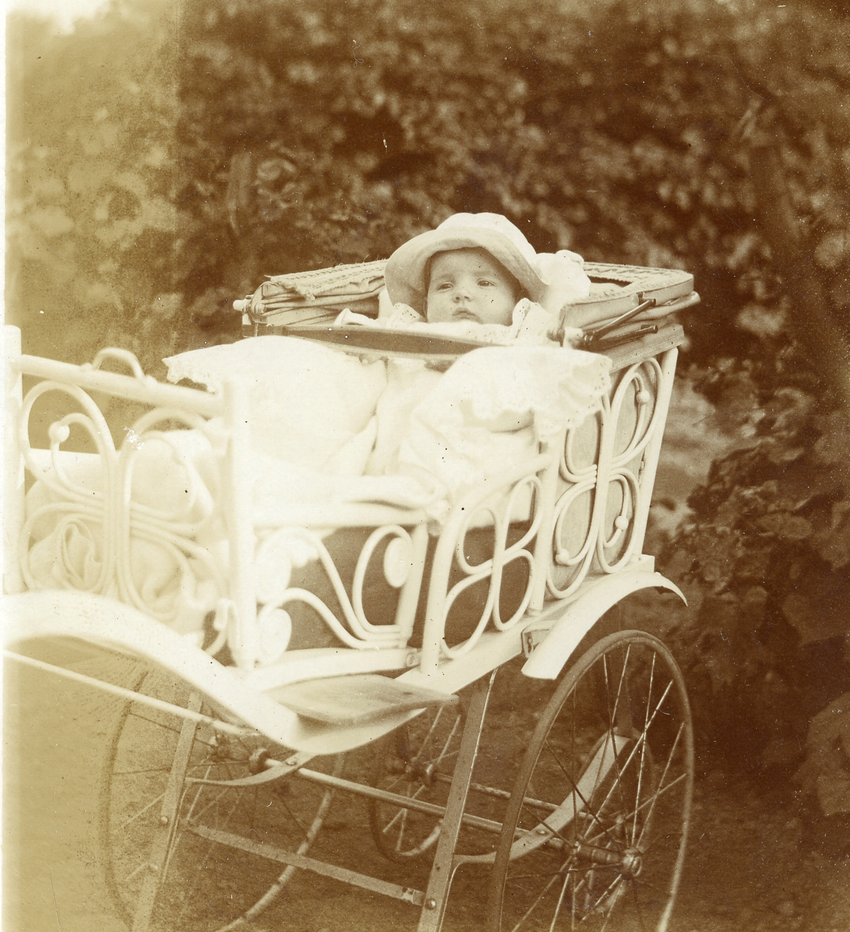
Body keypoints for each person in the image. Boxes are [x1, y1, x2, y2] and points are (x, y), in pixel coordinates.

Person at [23, 215, 609, 642]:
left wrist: (537, 321)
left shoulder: (519, 351)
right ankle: (124, 493)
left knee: (265, 498)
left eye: (485, 284)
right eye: (445, 284)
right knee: (234, 449)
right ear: (424, 301)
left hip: (443, 478)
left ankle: (179, 513)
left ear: (518, 303)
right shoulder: (406, 339)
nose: (463, 296)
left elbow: (522, 396)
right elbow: (365, 375)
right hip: (369, 457)